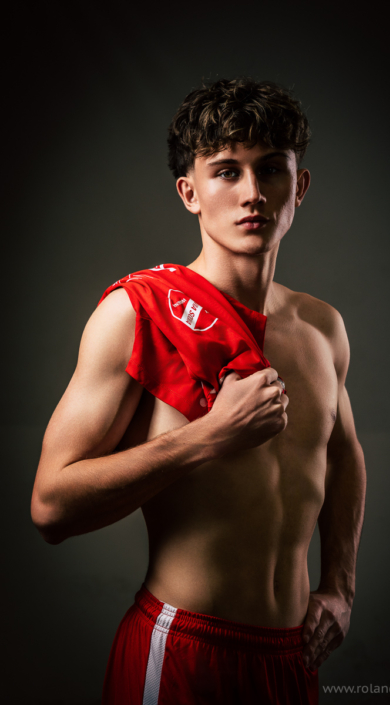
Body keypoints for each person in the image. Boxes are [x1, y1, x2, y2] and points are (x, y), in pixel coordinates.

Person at [31, 77, 366, 704]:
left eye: (271, 169)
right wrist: (208, 437)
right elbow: (50, 506)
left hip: (292, 658)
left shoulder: (323, 328)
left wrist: (340, 586)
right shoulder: (138, 315)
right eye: (226, 172)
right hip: (183, 652)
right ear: (190, 192)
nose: (253, 193)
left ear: (299, 186)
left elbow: (342, 455)